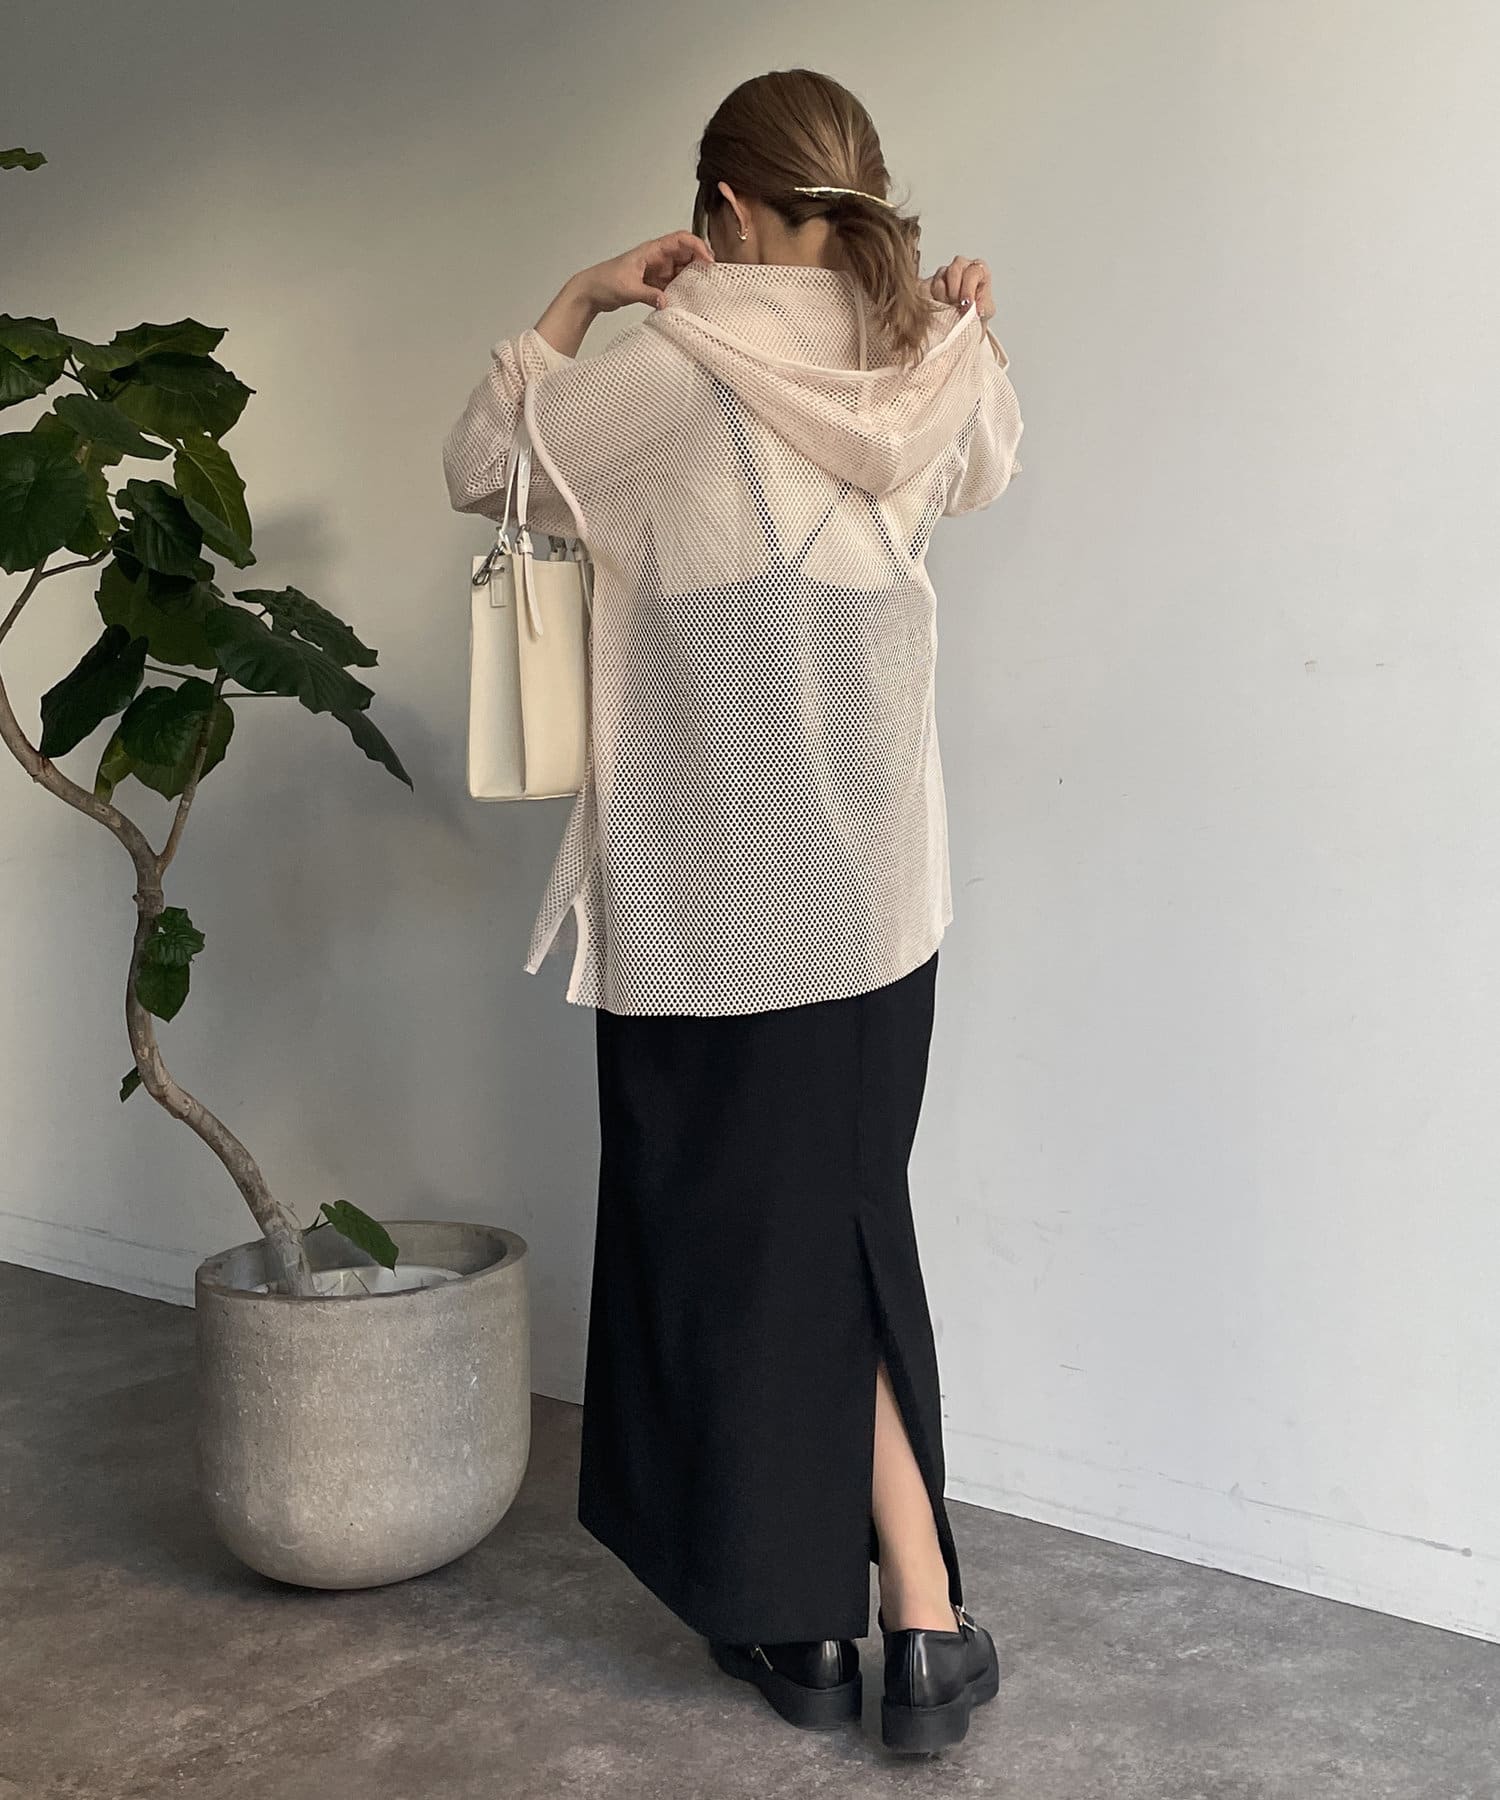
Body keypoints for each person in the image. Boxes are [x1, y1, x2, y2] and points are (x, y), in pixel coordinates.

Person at [442, 66, 1023, 1757]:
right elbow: (984, 470)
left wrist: (575, 300)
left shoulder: (665, 373)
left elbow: (483, 465)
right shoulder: (921, 352)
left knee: (741, 1258)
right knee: (831, 1237)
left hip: (715, 906)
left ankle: (897, 1612)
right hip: (883, 901)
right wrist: (974, 326)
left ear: (724, 208)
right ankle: (846, 1628)